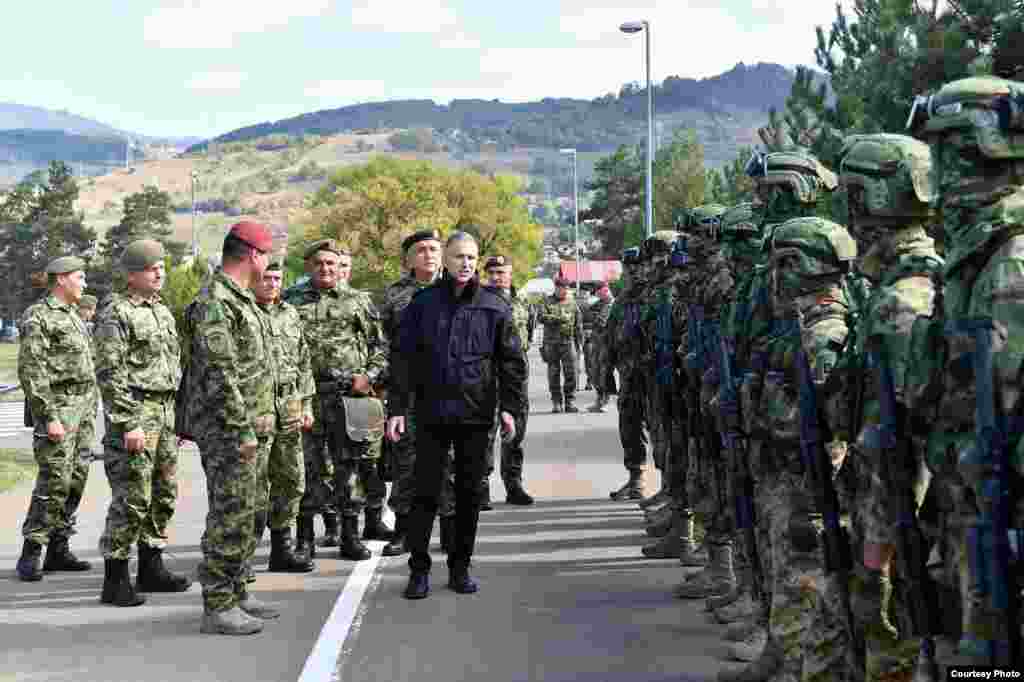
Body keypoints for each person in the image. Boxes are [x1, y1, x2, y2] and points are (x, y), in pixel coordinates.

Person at [388, 231, 527, 599]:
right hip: (431, 413)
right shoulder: (423, 303)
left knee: (469, 495)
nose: (464, 263)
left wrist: (510, 409)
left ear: (476, 260)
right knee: (425, 494)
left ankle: (460, 567)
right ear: (446, 261)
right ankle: (418, 569)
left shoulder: (493, 305)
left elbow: (511, 362)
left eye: (470, 257)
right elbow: (402, 358)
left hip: (475, 414)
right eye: (457, 257)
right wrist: (398, 408)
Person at [180, 220, 278, 635]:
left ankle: (237, 590)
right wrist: (241, 431)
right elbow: (219, 375)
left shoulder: (243, 300)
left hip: (253, 429)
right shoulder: (216, 301)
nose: (270, 263)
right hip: (230, 431)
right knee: (231, 513)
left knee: (252, 511)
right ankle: (218, 604)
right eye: (268, 254)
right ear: (254, 255)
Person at [94, 239, 191, 606]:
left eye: (162, 267)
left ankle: (152, 567)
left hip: (164, 413)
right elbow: (110, 371)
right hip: (136, 412)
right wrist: (127, 421)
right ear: (132, 275)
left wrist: (179, 416)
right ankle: (115, 578)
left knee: (163, 494)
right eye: (152, 268)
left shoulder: (161, 310)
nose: (160, 273)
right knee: (132, 497)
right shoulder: (115, 312)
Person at [284, 239, 389, 562]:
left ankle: (350, 536)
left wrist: (368, 377)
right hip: (309, 396)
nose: (326, 269)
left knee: (350, 468)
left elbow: (381, 347)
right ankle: (304, 540)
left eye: (331, 263)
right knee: (307, 468)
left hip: (350, 397)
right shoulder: (290, 303)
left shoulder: (358, 301)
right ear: (309, 267)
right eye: (319, 263)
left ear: (339, 265)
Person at [15, 255, 96, 582]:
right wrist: (48, 417)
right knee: (54, 481)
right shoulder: (39, 316)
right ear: (61, 279)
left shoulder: (74, 316)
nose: (85, 283)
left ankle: (58, 549)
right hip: (59, 409)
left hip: (84, 409)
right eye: (80, 277)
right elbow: (32, 370)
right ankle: (31, 551)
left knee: (76, 479)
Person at [251, 260, 316, 574]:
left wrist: (306, 406)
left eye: (277, 278)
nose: (273, 284)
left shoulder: (290, 314)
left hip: (289, 408)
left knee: (291, 480)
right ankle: (242, 557)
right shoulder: (244, 313)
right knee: (252, 486)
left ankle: (282, 549)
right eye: (267, 278)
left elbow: (303, 361)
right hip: (256, 411)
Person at [483, 254, 534, 506]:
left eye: (501, 272)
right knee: (484, 431)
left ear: (510, 274)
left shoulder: (522, 303)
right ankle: (481, 488)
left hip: (514, 376)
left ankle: (513, 484)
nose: (496, 277)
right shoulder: (476, 301)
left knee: (515, 430)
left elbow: (527, 337)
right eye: (491, 272)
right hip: (486, 374)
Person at [538, 277, 583, 412]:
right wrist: (558, 319)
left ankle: (569, 401)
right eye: (560, 288)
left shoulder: (572, 303)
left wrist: (579, 342)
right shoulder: (546, 301)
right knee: (553, 373)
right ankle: (556, 402)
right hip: (551, 343)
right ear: (556, 288)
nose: (563, 291)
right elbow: (541, 317)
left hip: (568, 342)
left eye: (565, 288)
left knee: (572, 373)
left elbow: (578, 324)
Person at [585, 284, 613, 413]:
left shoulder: (613, 304)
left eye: (599, 292)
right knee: (594, 372)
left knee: (604, 373)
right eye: (596, 293)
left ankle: (605, 400)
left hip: (608, 344)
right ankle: (599, 400)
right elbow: (587, 315)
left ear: (605, 290)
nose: (597, 295)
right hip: (597, 343)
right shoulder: (598, 304)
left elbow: (602, 322)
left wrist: (595, 318)